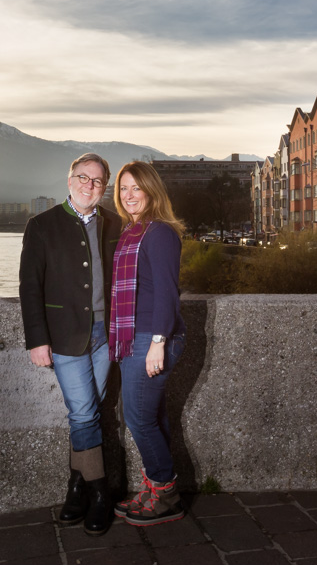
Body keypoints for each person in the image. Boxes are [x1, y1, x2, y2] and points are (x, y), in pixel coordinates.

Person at [19, 153, 120, 536]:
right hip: (64, 335)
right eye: (83, 177)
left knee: (88, 412)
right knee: (83, 413)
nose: (89, 186)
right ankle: (99, 494)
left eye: (97, 181)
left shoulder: (115, 224)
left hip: (105, 335)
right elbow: (30, 287)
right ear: (69, 180)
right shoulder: (42, 225)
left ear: (104, 187)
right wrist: (37, 339)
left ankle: (75, 485)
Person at [108, 161, 188, 526]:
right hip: (134, 336)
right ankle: (155, 487)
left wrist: (158, 341)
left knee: (138, 419)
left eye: (136, 188)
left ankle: (165, 493)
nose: (129, 195)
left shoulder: (159, 232)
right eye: (123, 189)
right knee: (150, 416)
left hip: (151, 337)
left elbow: (168, 293)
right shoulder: (132, 230)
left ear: (151, 190)